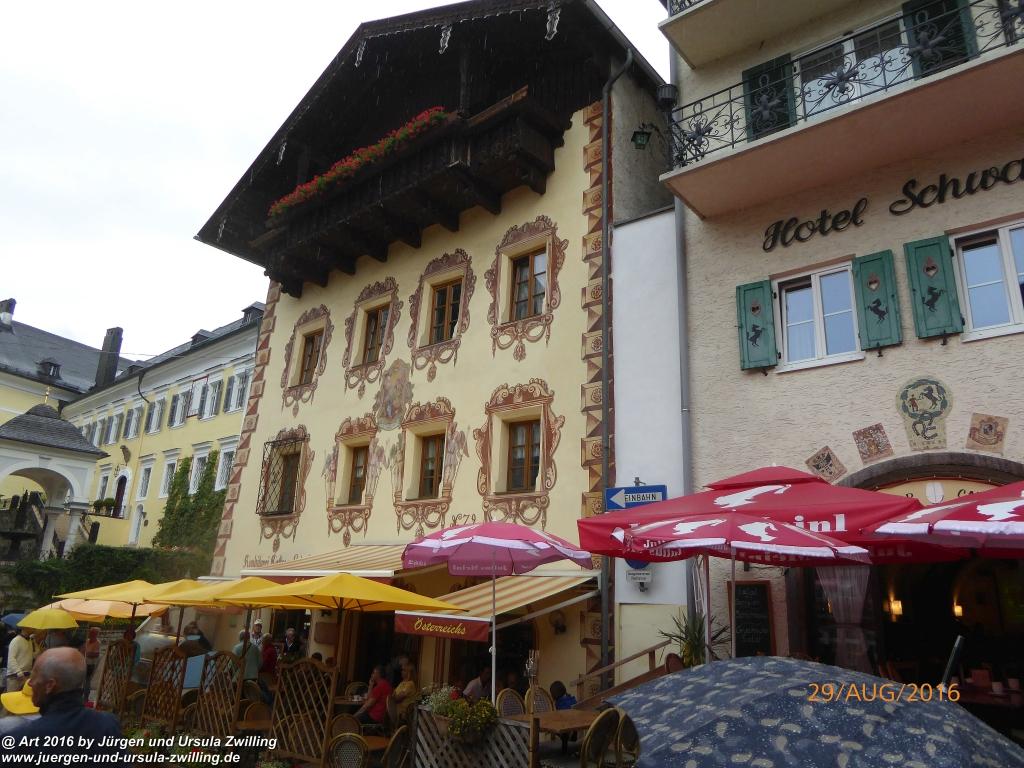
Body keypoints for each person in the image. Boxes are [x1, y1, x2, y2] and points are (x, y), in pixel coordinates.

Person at [4, 648, 128, 761]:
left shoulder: (21, 740)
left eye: (34, 676)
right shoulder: (108, 726)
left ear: (49, 685)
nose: (30, 683)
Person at [6, 626, 35, 692]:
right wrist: (19, 673)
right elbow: (11, 658)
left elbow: (31, 655)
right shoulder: (16, 640)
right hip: (14, 677)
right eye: (31, 627)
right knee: (12, 700)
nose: (33, 628)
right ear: (24, 628)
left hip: (26, 675)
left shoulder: (30, 640)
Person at [84, 628, 101, 699]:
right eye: (90, 632)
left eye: (91, 633)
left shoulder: (97, 643)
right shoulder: (87, 641)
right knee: (83, 680)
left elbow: (96, 654)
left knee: (87, 680)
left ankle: (86, 697)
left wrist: (88, 654)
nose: (89, 634)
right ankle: (83, 695)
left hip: (90, 664)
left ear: (95, 634)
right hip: (84, 662)